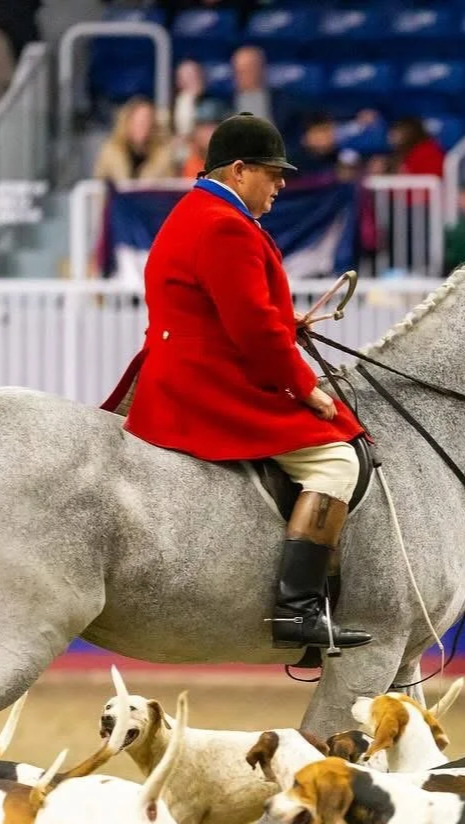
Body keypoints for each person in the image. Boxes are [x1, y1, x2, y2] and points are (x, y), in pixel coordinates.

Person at [101, 113, 372, 653]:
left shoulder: (197, 211)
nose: (282, 185)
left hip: (187, 366)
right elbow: (250, 331)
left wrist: (285, 321)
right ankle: (297, 610)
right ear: (239, 170)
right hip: (208, 381)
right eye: (272, 174)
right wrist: (304, 387)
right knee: (336, 460)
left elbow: (233, 309)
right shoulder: (225, 224)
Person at [93, 97, 176, 184]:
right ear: (127, 122)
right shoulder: (111, 151)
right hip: (118, 197)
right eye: (138, 122)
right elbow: (99, 182)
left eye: (147, 121)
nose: (143, 126)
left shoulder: (163, 154)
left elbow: (170, 186)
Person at [232, 45, 272, 122]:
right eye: (238, 71)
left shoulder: (283, 103)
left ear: (260, 69)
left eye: (248, 69)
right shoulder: (225, 102)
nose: (241, 76)